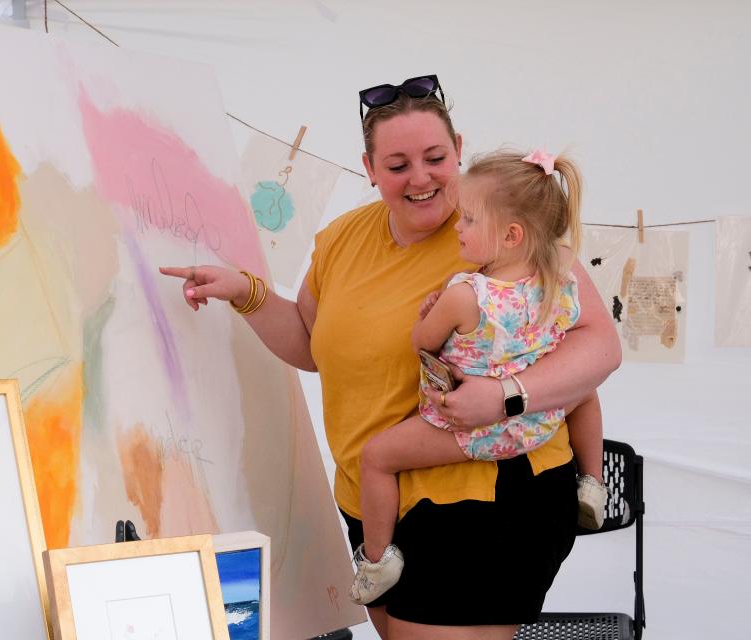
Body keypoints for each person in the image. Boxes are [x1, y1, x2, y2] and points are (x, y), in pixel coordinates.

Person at [160, 74, 620, 640]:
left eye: (435, 158)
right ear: (369, 167)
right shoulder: (341, 239)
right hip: (372, 495)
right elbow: (310, 343)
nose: (421, 178)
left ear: (458, 151)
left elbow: (599, 344)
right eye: (398, 165)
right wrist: (244, 292)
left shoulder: (502, 232)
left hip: (483, 491)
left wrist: (506, 395)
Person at [350, 148, 609, 606]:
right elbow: (586, 348)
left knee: (376, 458)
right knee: (584, 392)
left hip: (472, 431)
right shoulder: (561, 277)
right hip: (537, 422)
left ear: (510, 235)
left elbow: (421, 343)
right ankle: (590, 482)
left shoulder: (467, 294)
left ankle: (376, 560)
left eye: (469, 220)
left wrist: (428, 312)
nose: (457, 227)